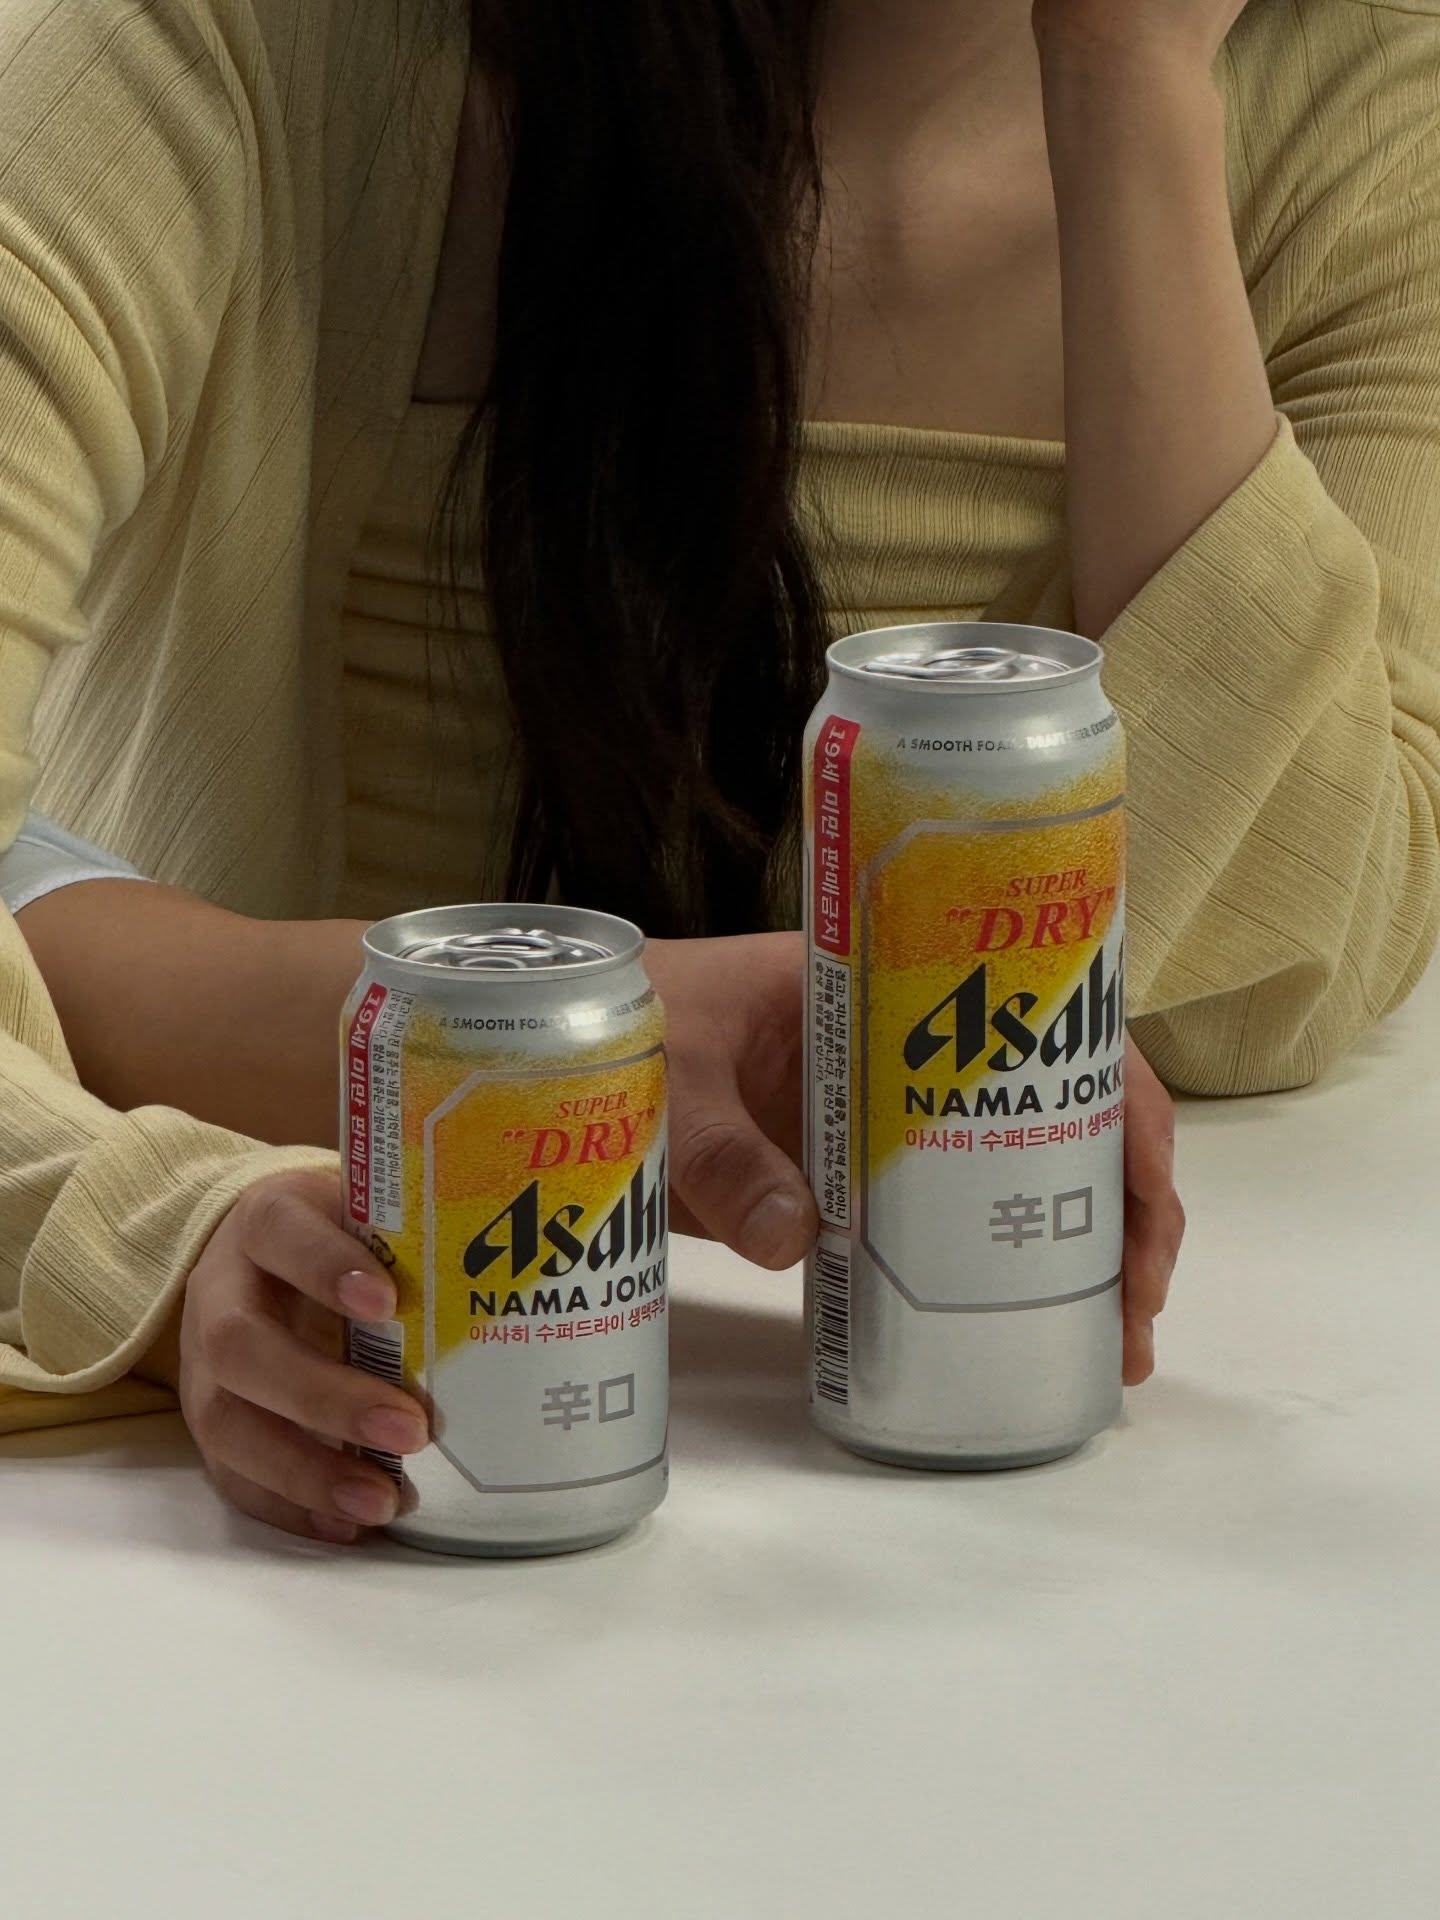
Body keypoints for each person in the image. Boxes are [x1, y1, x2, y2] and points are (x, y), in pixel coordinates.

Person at [0, 0, 1434, 1539]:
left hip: (1051, 1551)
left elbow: (1276, 964)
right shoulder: (227, 51)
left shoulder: (1360, 96)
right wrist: (153, 1228)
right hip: (302, 1544)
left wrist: (1130, 79)